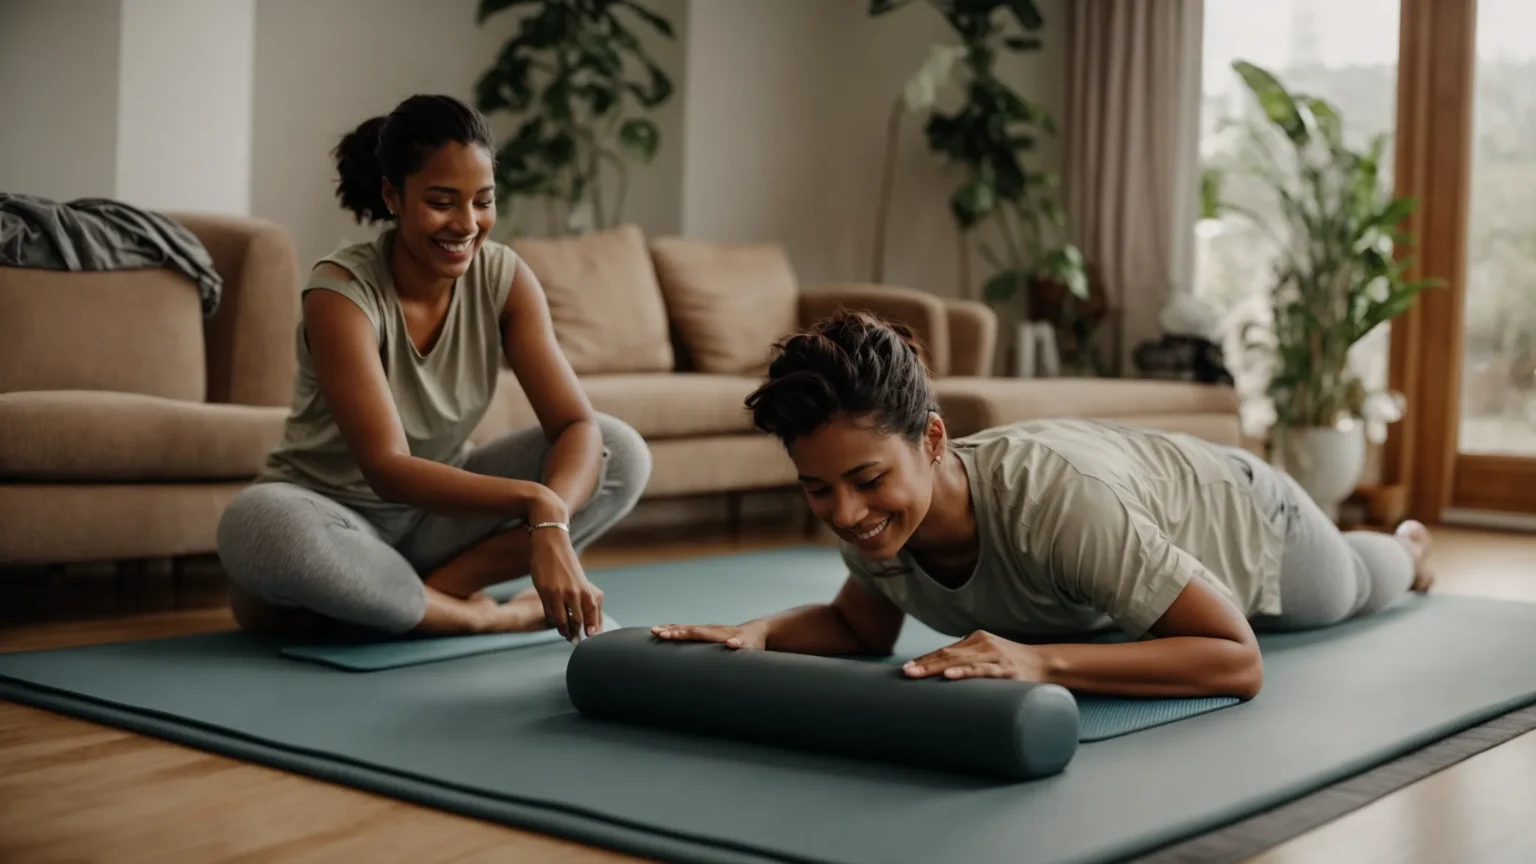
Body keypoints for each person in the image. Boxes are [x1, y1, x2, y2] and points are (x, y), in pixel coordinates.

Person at [652, 311, 1433, 699]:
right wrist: (762, 632)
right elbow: (862, 627)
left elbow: (1237, 659)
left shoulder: (1058, 504)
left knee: (1357, 587)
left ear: (931, 440)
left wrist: (1037, 660)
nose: (847, 513)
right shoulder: (879, 517)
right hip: (1143, 524)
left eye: (864, 481)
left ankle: (1408, 545)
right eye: (816, 489)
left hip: (1249, 519)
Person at [217, 95, 650, 644]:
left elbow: (575, 426)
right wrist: (537, 504)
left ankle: (417, 601)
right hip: (329, 513)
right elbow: (388, 468)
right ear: (392, 196)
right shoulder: (342, 293)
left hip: (438, 525)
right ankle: (486, 615)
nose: (467, 224)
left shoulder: (506, 278)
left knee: (620, 450)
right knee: (254, 522)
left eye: (483, 201)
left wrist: (553, 521)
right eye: (443, 202)